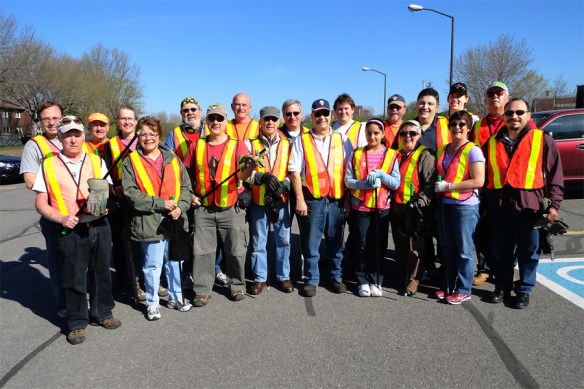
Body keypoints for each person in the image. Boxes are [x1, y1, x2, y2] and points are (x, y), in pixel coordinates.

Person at [33, 115, 121, 345]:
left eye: (77, 134)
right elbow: (41, 202)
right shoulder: (48, 164)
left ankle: (103, 312)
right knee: (73, 277)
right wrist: (60, 217)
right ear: (60, 137)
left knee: (102, 272)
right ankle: (77, 322)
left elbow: (108, 191)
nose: (73, 139)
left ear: (83, 136)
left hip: (99, 226)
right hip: (69, 230)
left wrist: (106, 205)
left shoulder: (96, 161)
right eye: (67, 135)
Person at [483, 98, 563, 309]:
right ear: (504, 117)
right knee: (500, 249)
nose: (514, 117)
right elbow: (483, 177)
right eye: (509, 113)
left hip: (530, 207)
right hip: (499, 207)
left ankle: (524, 290)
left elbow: (555, 175)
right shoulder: (491, 143)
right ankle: (502, 286)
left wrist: (554, 204)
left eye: (519, 112)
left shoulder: (543, 140)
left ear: (528, 115)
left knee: (529, 250)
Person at [183, 103, 255, 306]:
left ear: (226, 121)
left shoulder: (237, 144)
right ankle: (202, 290)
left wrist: (249, 170)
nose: (215, 122)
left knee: (235, 251)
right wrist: (189, 195)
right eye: (211, 118)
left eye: (219, 118)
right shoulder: (197, 145)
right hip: (204, 208)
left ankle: (237, 286)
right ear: (206, 121)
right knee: (202, 252)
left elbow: (243, 175)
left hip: (231, 207)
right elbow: (184, 174)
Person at [123, 116, 193, 320]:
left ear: (159, 135)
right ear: (138, 136)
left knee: (174, 262)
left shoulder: (172, 156)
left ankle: (176, 297)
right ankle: (153, 303)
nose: (148, 138)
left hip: (175, 220)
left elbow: (186, 187)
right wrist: (160, 203)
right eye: (143, 134)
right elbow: (131, 194)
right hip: (150, 222)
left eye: (152, 134)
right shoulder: (131, 161)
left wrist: (181, 206)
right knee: (152, 265)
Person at [288, 99, 353, 297]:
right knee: (311, 243)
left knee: (336, 241)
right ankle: (311, 280)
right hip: (313, 199)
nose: (322, 117)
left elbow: (349, 170)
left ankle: (335, 277)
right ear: (312, 116)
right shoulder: (302, 140)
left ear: (330, 116)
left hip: (337, 199)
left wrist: (348, 199)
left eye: (325, 114)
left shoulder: (341, 139)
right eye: (318, 114)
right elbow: (294, 172)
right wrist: (299, 199)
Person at [19, 101, 66, 317]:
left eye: (55, 118)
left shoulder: (71, 139)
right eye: (46, 118)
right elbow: (29, 180)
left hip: (78, 210)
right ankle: (63, 305)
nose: (51, 122)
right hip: (53, 212)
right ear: (41, 121)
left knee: (78, 260)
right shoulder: (35, 145)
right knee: (57, 261)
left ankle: (79, 298)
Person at [434, 110, 485, 305]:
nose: (457, 127)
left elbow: (478, 180)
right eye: (453, 124)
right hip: (444, 205)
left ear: (468, 127)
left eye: (462, 124)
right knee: (447, 248)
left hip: (465, 206)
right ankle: (448, 284)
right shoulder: (442, 150)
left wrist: (450, 186)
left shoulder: (473, 150)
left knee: (464, 249)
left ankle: (464, 289)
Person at [345, 118, 400, 297]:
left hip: (381, 207)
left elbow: (396, 183)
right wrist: (364, 185)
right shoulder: (357, 153)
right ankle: (362, 280)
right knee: (361, 244)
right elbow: (348, 181)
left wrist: (382, 175)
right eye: (369, 133)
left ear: (383, 134)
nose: (372, 136)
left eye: (376, 133)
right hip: (360, 207)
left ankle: (376, 278)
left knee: (378, 244)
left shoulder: (391, 155)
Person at [247, 106, 294, 294]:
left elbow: (296, 171)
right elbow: (245, 174)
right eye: (266, 119)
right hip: (259, 200)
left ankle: (283, 277)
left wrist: (285, 184)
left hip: (281, 199)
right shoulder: (251, 144)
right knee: (259, 241)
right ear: (260, 121)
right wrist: (261, 178)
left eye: (274, 119)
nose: (270, 123)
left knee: (283, 240)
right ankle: (260, 279)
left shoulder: (288, 144)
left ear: (279, 122)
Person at [389, 120, 436, 296]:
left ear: (419, 136)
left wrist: (420, 203)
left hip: (416, 209)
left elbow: (431, 184)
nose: (407, 136)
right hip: (397, 206)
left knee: (415, 248)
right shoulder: (395, 155)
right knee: (400, 246)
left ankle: (413, 281)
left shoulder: (425, 155)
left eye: (412, 133)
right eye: (403, 133)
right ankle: (402, 276)